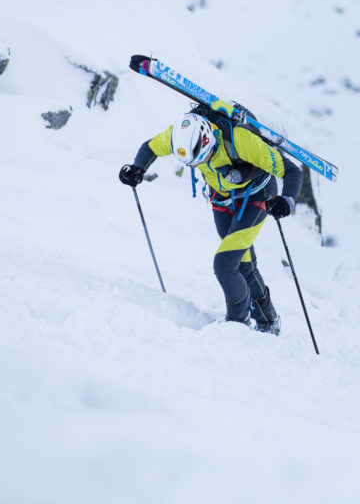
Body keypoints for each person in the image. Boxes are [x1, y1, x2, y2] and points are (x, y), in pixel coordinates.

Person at [118, 100, 302, 334]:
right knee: (242, 264)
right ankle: (268, 320)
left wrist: (287, 200)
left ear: (208, 141)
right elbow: (151, 147)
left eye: (202, 159)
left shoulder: (241, 141)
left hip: (258, 196)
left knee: (225, 265)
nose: (201, 164)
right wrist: (137, 169)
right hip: (221, 199)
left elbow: (292, 171)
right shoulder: (181, 134)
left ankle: (237, 326)